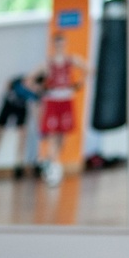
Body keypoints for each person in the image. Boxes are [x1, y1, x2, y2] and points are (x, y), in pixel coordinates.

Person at [33, 32, 88, 186]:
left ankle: (53, 162)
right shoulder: (47, 63)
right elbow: (30, 80)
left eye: (62, 43)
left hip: (66, 100)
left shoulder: (71, 60)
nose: (60, 46)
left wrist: (79, 83)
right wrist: (41, 89)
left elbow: (88, 69)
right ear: (53, 45)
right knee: (51, 134)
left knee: (62, 134)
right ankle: (52, 165)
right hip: (52, 100)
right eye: (57, 43)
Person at [0, 72, 45, 180]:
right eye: (36, 87)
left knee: (22, 134)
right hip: (8, 105)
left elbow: (37, 111)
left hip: (20, 108)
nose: (36, 90)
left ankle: (18, 165)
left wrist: (40, 127)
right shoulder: (18, 82)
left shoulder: (35, 94)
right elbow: (8, 85)